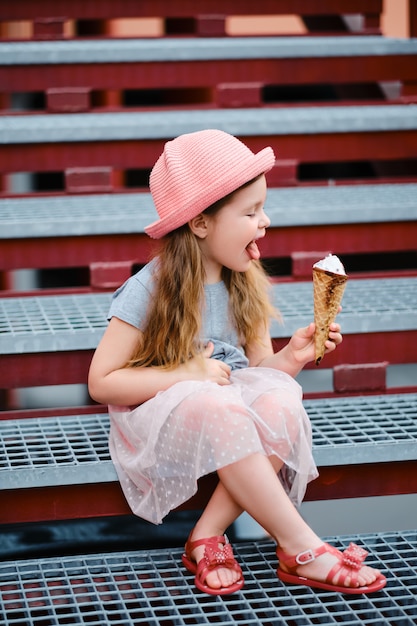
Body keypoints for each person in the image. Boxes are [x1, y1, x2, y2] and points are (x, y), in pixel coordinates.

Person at [88, 129, 386, 596]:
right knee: (217, 402)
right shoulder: (150, 289)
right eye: (249, 212)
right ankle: (300, 545)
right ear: (201, 223)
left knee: (282, 401)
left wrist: (291, 356)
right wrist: (188, 373)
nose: (264, 222)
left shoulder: (245, 281)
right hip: (162, 418)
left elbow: (256, 377)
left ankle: (206, 537)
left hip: (225, 405)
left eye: (263, 208)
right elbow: (102, 382)